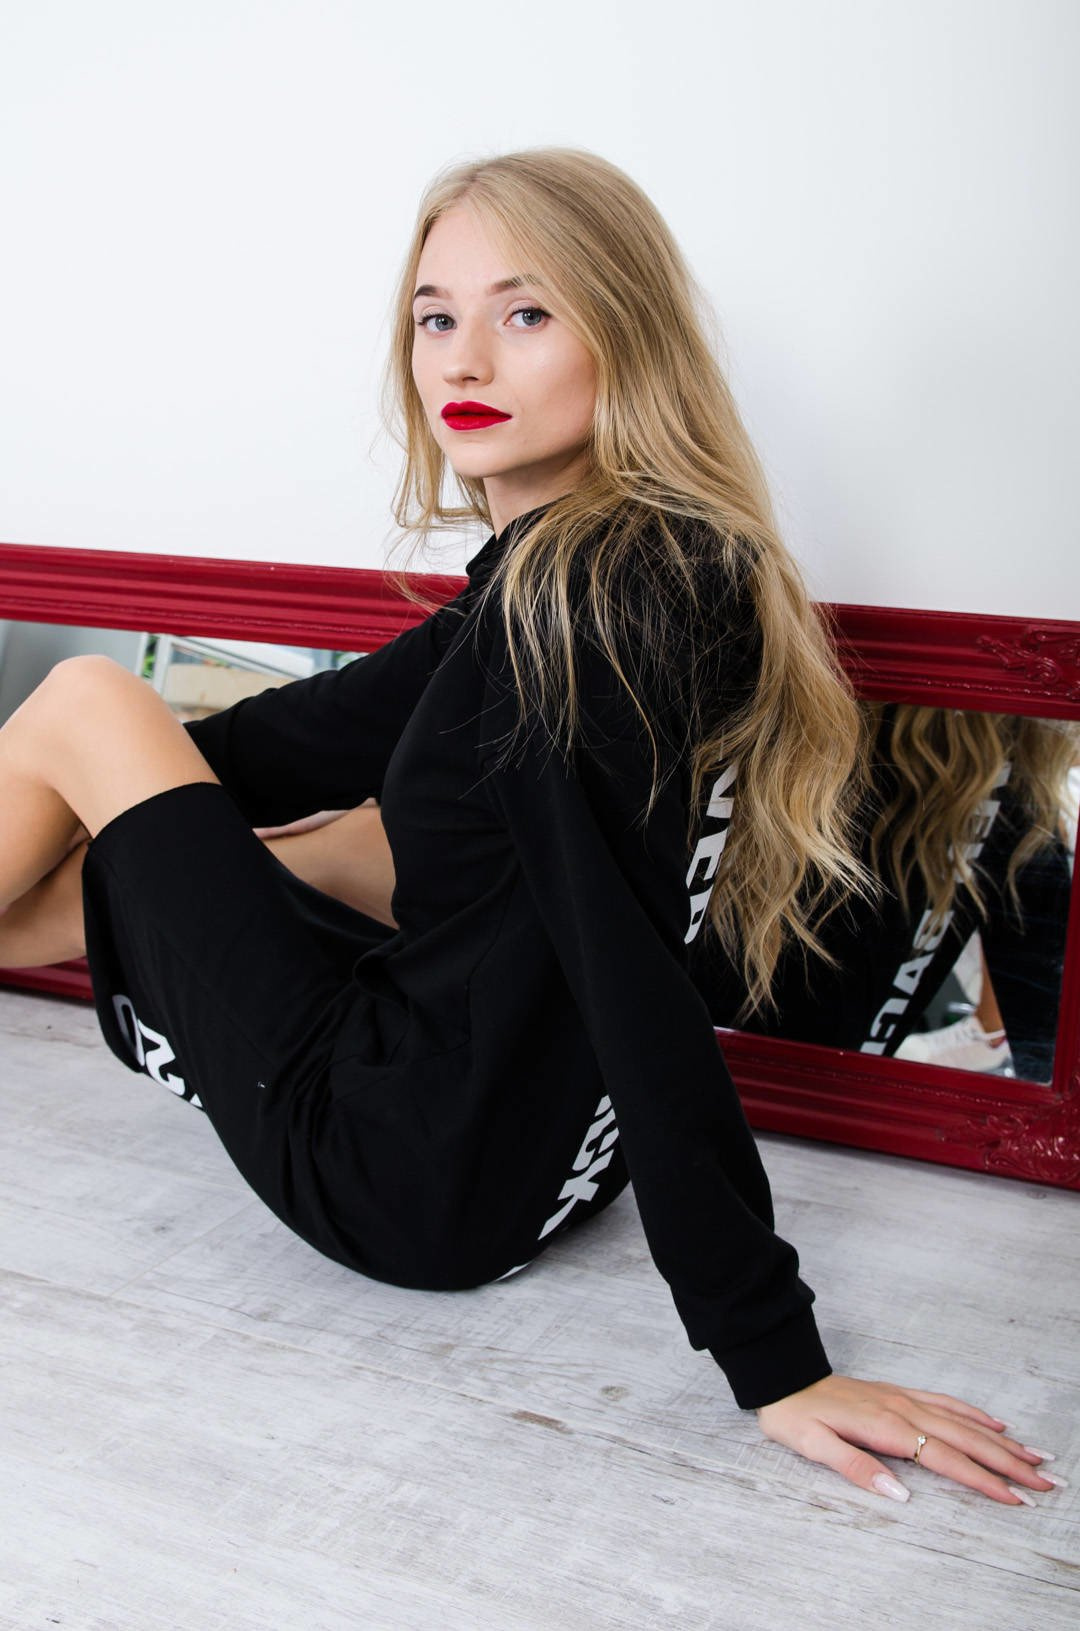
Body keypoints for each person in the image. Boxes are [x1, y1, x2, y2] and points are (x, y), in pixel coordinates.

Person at [0, 147, 1061, 1510]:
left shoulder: (579, 618)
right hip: (536, 1164)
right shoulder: (635, 565)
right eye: (436, 315)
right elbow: (288, 745)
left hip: (405, 1167)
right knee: (284, 832)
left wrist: (774, 1356)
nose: (465, 357)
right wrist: (150, 828)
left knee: (88, 700)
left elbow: (635, 976)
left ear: (628, 332)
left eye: (527, 311)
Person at [691, 703, 1077, 1084]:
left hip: (778, 1081)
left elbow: (1046, 1034)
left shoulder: (1008, 794)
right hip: (769, 1077)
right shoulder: (1006, 788)